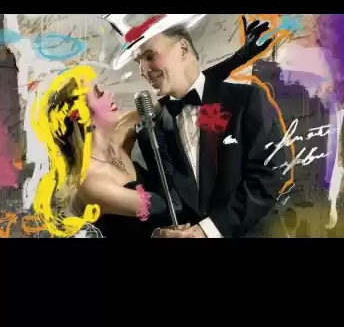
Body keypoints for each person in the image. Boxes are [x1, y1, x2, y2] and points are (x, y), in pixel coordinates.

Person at [35, 15, 271, 238]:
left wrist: (239, 57)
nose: (108, 93)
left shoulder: (121, 133)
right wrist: (160, 151)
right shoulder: (90, 181)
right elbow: (165, 208)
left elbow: (185, 94)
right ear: (81, 116)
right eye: (98, 93)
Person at [105, 13, 290, 238]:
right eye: (138, 62)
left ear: (183, 49)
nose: (143, 71)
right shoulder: (151, 131)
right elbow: (164, 202)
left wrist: (208, 230)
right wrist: (160, 233)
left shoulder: (247, 101)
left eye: (149, 56)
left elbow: (269, 176)